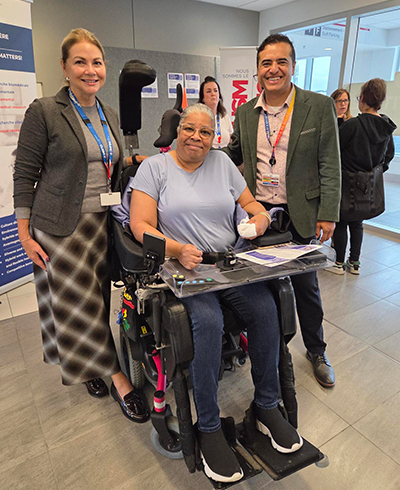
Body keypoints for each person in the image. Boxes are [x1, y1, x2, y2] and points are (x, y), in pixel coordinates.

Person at [129, 103, 303, 483]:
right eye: (189, 129)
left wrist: (260, 219)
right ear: (178, 131)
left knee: (266, 310)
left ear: (214, 137)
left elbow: (251, 204)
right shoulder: (154, 169)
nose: (197, 137)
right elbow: (140, 225)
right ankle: (208, 426)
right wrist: (176, 249)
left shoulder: (223, 163)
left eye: (205, 132)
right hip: (183, 268)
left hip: (228, 263)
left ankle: (266, 405)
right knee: (208, 322)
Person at [13, 28, 149, 423]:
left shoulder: (107, 113)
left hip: (102, 223)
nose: (90, 70)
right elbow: (24, 174)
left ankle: (89, 365)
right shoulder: (44, 111)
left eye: (97, 62)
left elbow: (107, 162)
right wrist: (24, 233)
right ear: (64, 67)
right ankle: (119, 380)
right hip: (60, 227)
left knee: (97, 300)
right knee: (82, 304)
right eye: (80, 62)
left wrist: (139, 162)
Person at [223, 34, 341, 388]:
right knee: (262, 287)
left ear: (293, 66)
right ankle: (272, 349)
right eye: (266, 63)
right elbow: (234, 154)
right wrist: (192, 155)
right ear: (257, 69)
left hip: (300, 213)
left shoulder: (318, 106)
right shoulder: (245, 112)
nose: (273, 69)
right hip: (260, 213)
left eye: (281, 62)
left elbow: (330, 163)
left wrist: (328, 212)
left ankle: (317, 350)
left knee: (306, 287)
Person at [329, 79, 396, 275]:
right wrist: (373, 173)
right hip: (368, 185)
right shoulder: (385, 127)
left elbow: (334, 152)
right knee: (358, 223)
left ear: (364, 99)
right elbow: (389, 155)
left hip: (346, 181)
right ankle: (355, 262)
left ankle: (338, 263)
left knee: (341, 222)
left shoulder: (353, 125)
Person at [199, 76, 233, 148]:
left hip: (225, 153)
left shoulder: (224, 116)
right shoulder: (198, 117)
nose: (213, 94)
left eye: (215, 91)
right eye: (208, 91)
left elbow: (231, 139)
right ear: (202, 98)